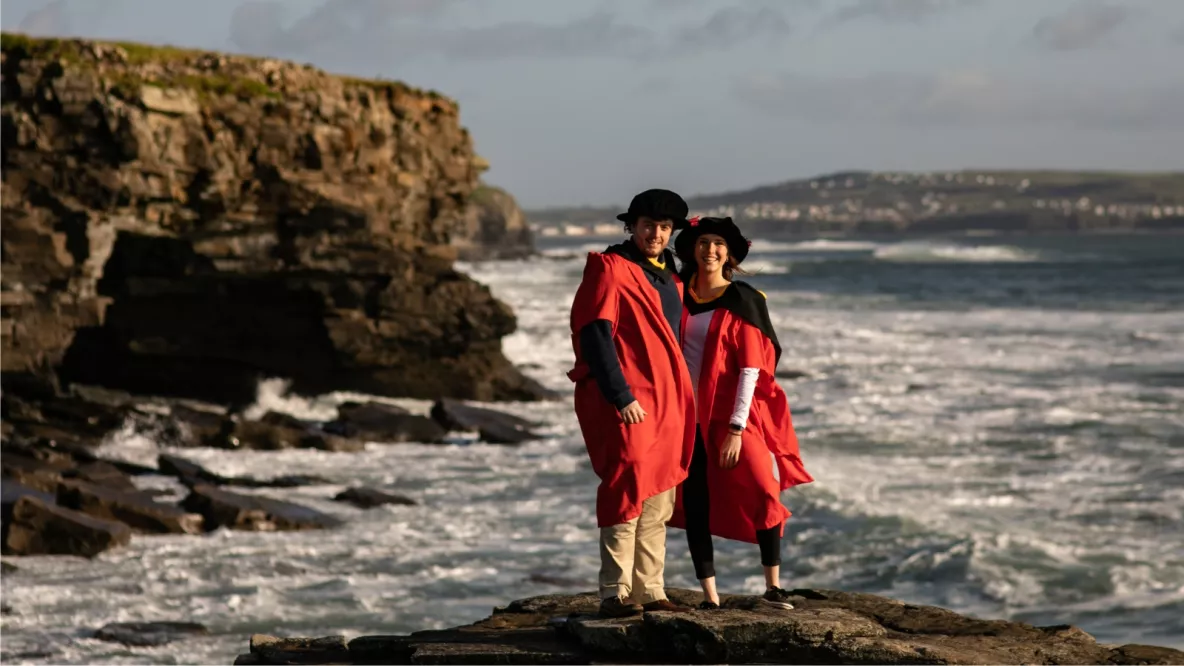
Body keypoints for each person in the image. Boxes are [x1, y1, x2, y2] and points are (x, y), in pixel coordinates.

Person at [667, 216, 814, 611]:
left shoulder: (744, 300)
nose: (710, 250)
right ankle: (710, 597)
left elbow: (752, 369)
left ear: (729, 253)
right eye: (702, 242)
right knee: (694, 501)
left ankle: (772, 586)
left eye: (717, 243)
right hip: (684, 419)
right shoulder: (677, 295)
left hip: (732, 417)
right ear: (691, 250)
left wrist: (735, 428)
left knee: (763, 488)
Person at [567, 189, 698, 618]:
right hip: (631, 399)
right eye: (647, 226)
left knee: (660, 495)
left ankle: (650, 589)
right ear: (632, 227)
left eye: (663, 228)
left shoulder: (672, 276)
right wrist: (619, 395)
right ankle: (614, 593)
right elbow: (596, 334)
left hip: (669, 401)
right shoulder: (611, 269)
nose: (655, 234)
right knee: (627, 486)